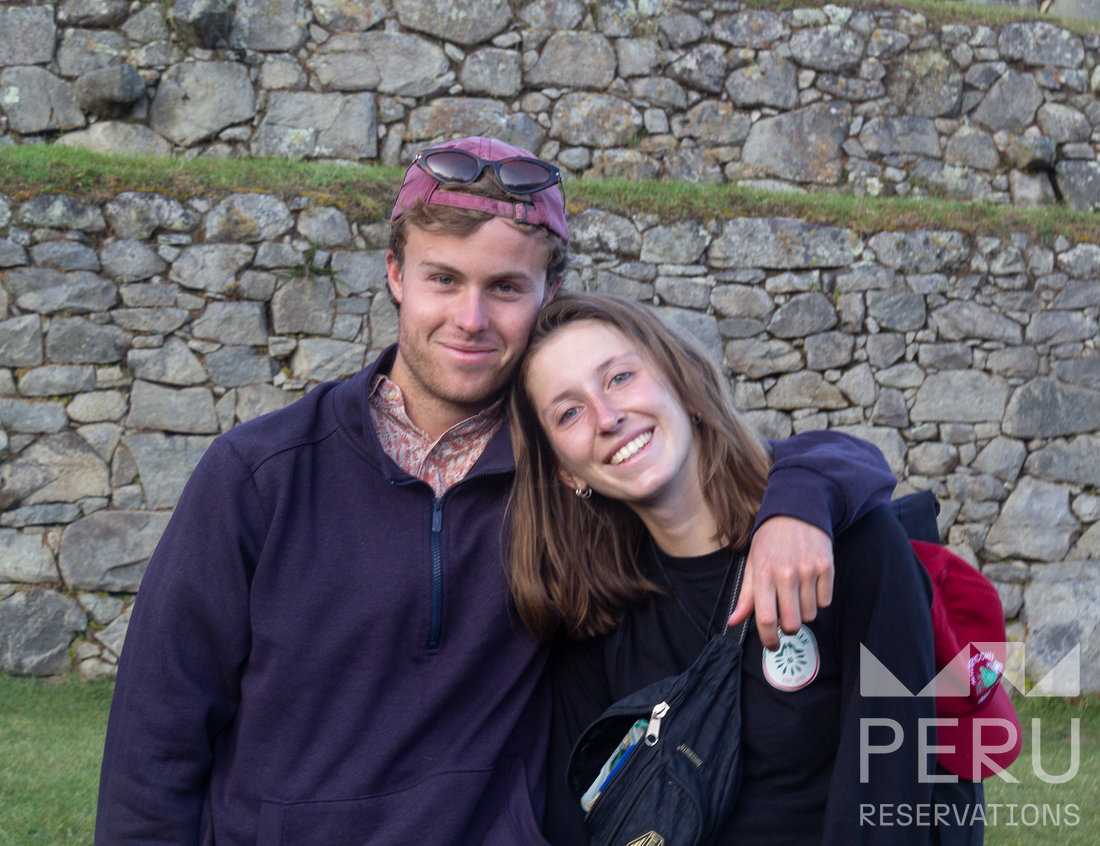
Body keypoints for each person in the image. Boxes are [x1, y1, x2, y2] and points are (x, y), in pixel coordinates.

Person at [96, 137, 900, 845]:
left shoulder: (574, 474)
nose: (470, 316)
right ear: (395, 277)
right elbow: (156, 737)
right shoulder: (260, 476)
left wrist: (801, 499)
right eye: (443, 279)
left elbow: (731, 457)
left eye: (506, 288)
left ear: (546, 293)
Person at [507, 293, 937, 845]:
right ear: (567, 474)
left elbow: (888, 802)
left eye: (619, 378)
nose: (607, 417)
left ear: (682, 384)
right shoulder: (595, 616)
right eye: (568, 412)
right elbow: (579, 819)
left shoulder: (852, 547)